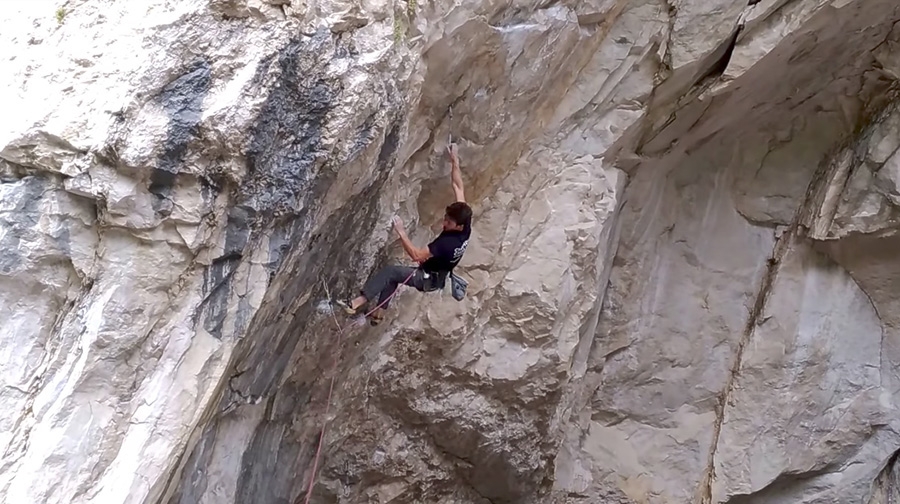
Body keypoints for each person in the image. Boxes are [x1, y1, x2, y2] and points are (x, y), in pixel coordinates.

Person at [337, 143, 472, 324]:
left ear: (458, 226)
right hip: (437, 275)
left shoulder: (448, 243)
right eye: (446, 218)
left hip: (427, 279)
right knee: (393, 278)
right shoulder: (465, 220)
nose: (444, 222)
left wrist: (401, 232)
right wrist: (454, 159)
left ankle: (356, 303)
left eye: (449, 222)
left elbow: (416, 255)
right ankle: (378, 314)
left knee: (391, 271)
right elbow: (458, 187)